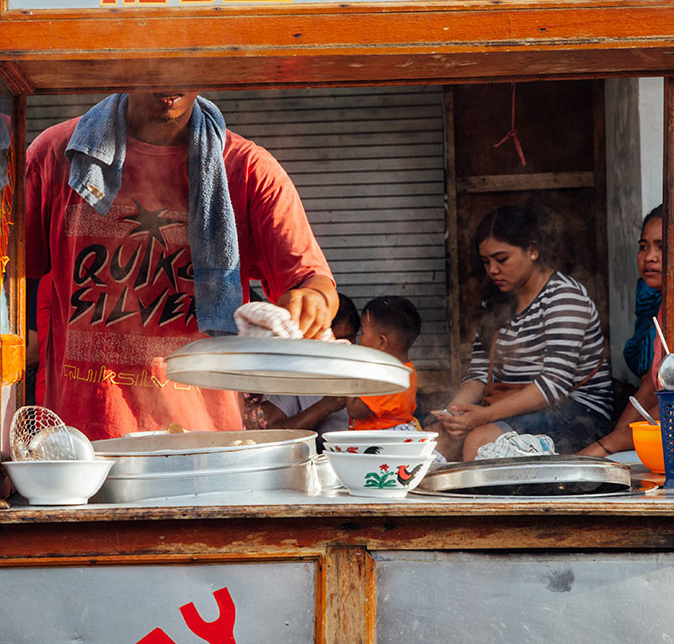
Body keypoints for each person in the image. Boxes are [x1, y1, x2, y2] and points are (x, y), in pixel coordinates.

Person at [25, 91, 337, 441]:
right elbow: (4, 282)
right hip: (76, 448)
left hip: (206, 446)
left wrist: (313, 300)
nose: (169, 81)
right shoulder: (59, 154)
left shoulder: (248, 169)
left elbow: (312, 279)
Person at [433, 205, 613, 460]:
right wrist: (454, 414)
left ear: (532, 250)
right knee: (436, 441)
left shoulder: (564, 297)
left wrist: (482, 417)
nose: (492, 270)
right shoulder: (497, 301)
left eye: (501, 259)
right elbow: (479, 374)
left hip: (578, 413)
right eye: (486, 262)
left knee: (481, 442)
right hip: (512, 407)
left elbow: (554, 386)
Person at [579, 202, 674, 457]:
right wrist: (613, 440)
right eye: (643, 247)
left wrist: (609, 445)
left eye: (662, 247)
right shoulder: (673, 299)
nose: (649, 257)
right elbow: (653, 383)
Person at [256, 295, 361, 443]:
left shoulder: (366, 368)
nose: (341, 347)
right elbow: (270, 429)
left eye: (348, 338)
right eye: (332, 342)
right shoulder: (295, 373)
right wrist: (324, 407)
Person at [347, 295, 422, 430]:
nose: (359, 338)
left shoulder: (384, 376)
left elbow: (355, 410)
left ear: (381, 342)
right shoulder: (406, 370)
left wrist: (351, 371)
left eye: (362, 332)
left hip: (381, 442)